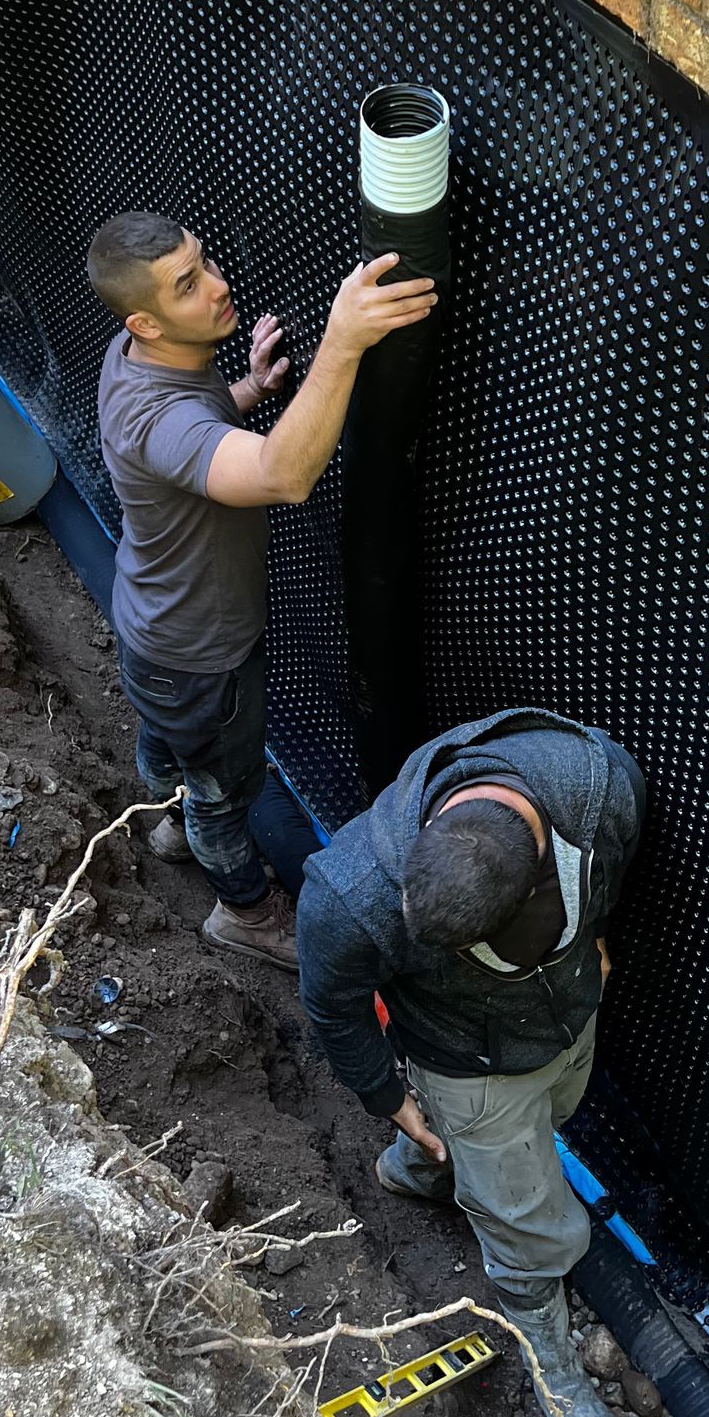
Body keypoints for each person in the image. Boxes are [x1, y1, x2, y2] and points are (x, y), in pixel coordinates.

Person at [295, 709, 647, 1417]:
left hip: (565, 1021)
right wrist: (390, 1095)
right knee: (526, 1222)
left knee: (550, 1113)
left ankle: (423, 1165)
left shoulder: (593, 785)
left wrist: (591, 936)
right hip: (469, 1062)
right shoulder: (354, 894)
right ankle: (548, 1355)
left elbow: (614, 866)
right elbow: (333, 1008)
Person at [90, 209, 435, 969]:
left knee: (170, 742)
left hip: (153, 628)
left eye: (205, 262)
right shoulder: (158, 417)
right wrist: (342, 342)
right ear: (145, 321)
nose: (217, 287)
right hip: (201, 655)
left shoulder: (140, 355)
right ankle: (241, 910)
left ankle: (169, 820)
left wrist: (247, 389)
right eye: (189, 285)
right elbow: (284, 473)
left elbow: (195, 439)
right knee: (225, 794)